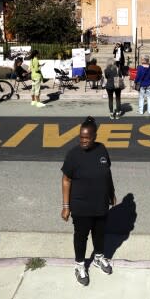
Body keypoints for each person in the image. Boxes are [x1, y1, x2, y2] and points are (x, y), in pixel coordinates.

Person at [61, 117, 117, 286]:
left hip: (100, 203)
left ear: (95, 136)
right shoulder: (73, 155)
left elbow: (107, 173)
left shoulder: (102, 150)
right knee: (81, 236)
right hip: (80, 206)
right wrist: (66, 207)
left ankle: (98, 258)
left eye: (87, 137)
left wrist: (112, 192)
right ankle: (79, 265)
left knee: (100, 233)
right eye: (81, 137)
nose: (83, 140)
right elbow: (66, 180)